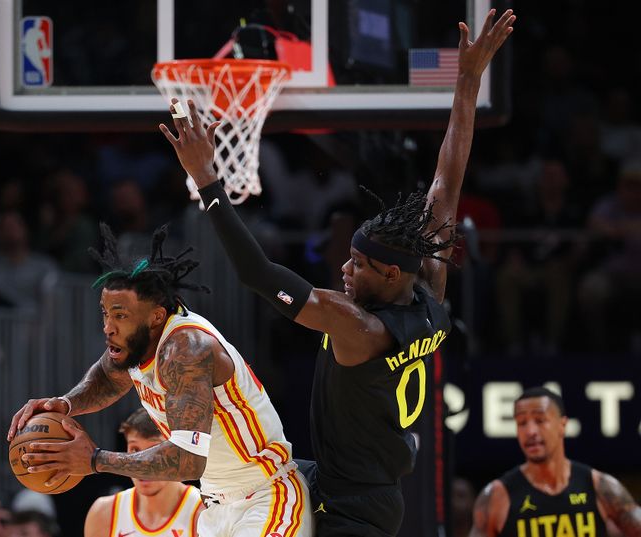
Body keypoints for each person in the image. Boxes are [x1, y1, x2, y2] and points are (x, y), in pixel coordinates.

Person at [159, 9, 515, 536]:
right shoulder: (429, 297)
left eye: (360, 264)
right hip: (352, 487)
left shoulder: (359, 327)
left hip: (349, 511)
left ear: (393, 274)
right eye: (349, 256)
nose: (345, 269)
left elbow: (258, 273)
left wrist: (210, 181)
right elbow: (446, 182)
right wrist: (467, 81)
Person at [7, 224, 311, 537]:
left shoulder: (186, 351)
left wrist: (96, 460)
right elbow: (106, 378)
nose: (108, 327)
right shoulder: (135, 344)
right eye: (105, 313)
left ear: (155, 316)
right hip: (216, 506)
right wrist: (66, 403)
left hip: (265, 497)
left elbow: (188, 461)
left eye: (120, 315)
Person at [468, 387, 641, 536]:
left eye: (540, 420)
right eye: (521, 423)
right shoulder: (497, 496)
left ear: (562, 425)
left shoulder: (598, 486)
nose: (530, 431)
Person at [84, 408, 203, 537]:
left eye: (154, 451)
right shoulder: (104, 513)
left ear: (177, 453)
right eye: (135, 450)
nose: (143, 464)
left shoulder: (203, 513)